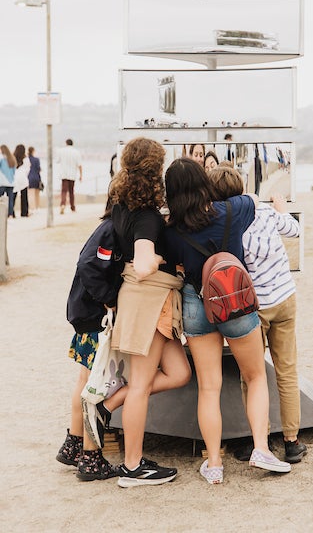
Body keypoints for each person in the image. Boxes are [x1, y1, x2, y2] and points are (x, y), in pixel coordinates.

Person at [164, 158, 291, 485]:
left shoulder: (171, 231)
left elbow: (174, 264)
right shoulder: (233, 211)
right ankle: (261, 449)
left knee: (208, 387)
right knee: (255, 376)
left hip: (196, 302)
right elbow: (252, 198)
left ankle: (215, 464)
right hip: (235, 301)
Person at [208, 166, 307, 464]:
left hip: (255, 307)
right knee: (286, 371)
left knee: (250, 376)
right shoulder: (264, 212)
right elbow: (295, 230)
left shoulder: (228, 225)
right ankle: (292, 441)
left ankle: (257, 441)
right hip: (285, 297)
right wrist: (281, 209)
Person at [108, 137, 191, 488]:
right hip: (148, 298)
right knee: (141, 385)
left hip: (144, 301)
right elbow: (143, 265)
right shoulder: (145, 216)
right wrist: (158, 259)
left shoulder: (121, 204)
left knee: (179, 372)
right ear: (155, 170)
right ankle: (132, 466)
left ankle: (107, 405)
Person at [56, 201, 125, 481]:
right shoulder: (109, 231)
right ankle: (91, 458)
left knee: (84, 381)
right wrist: (108, 298)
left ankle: (74, 443)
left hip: (85, 316)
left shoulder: (105, 229)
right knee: (94, 388)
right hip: (95, 317)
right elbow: (89, 265)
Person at [58, 139, 82, 214]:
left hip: (64, 174)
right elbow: (79, 165)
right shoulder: (76, 152)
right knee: (71, 191)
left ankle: (62, 204)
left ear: (66, 143)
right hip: (72, 174)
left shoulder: (61, 151)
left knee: (64, 191)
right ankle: (72, 207)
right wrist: (81, 175)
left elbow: (57, 160)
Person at [13, 144, 30, 217]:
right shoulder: (26, 159)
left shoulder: (13, 158)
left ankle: (11, 212)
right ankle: (24, 212)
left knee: (13, 196)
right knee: (24, 197)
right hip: (23, 179)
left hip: (14, 179)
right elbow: (28, 169)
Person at [0, 144, 16, 217]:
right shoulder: (12, 159)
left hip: (2, 182)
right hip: (11, 182)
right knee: (10, 200)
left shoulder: (1, 159)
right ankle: (10, 214)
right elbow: (14, 171)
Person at [27, 147, 42, 212]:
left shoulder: (27, 159)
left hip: (29, 177)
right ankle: (37, 207)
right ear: (33, 151)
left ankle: (32, 208)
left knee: (30, 194)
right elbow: (39, 169)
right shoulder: (36, 159)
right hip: (36, 177)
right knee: (37, 194)